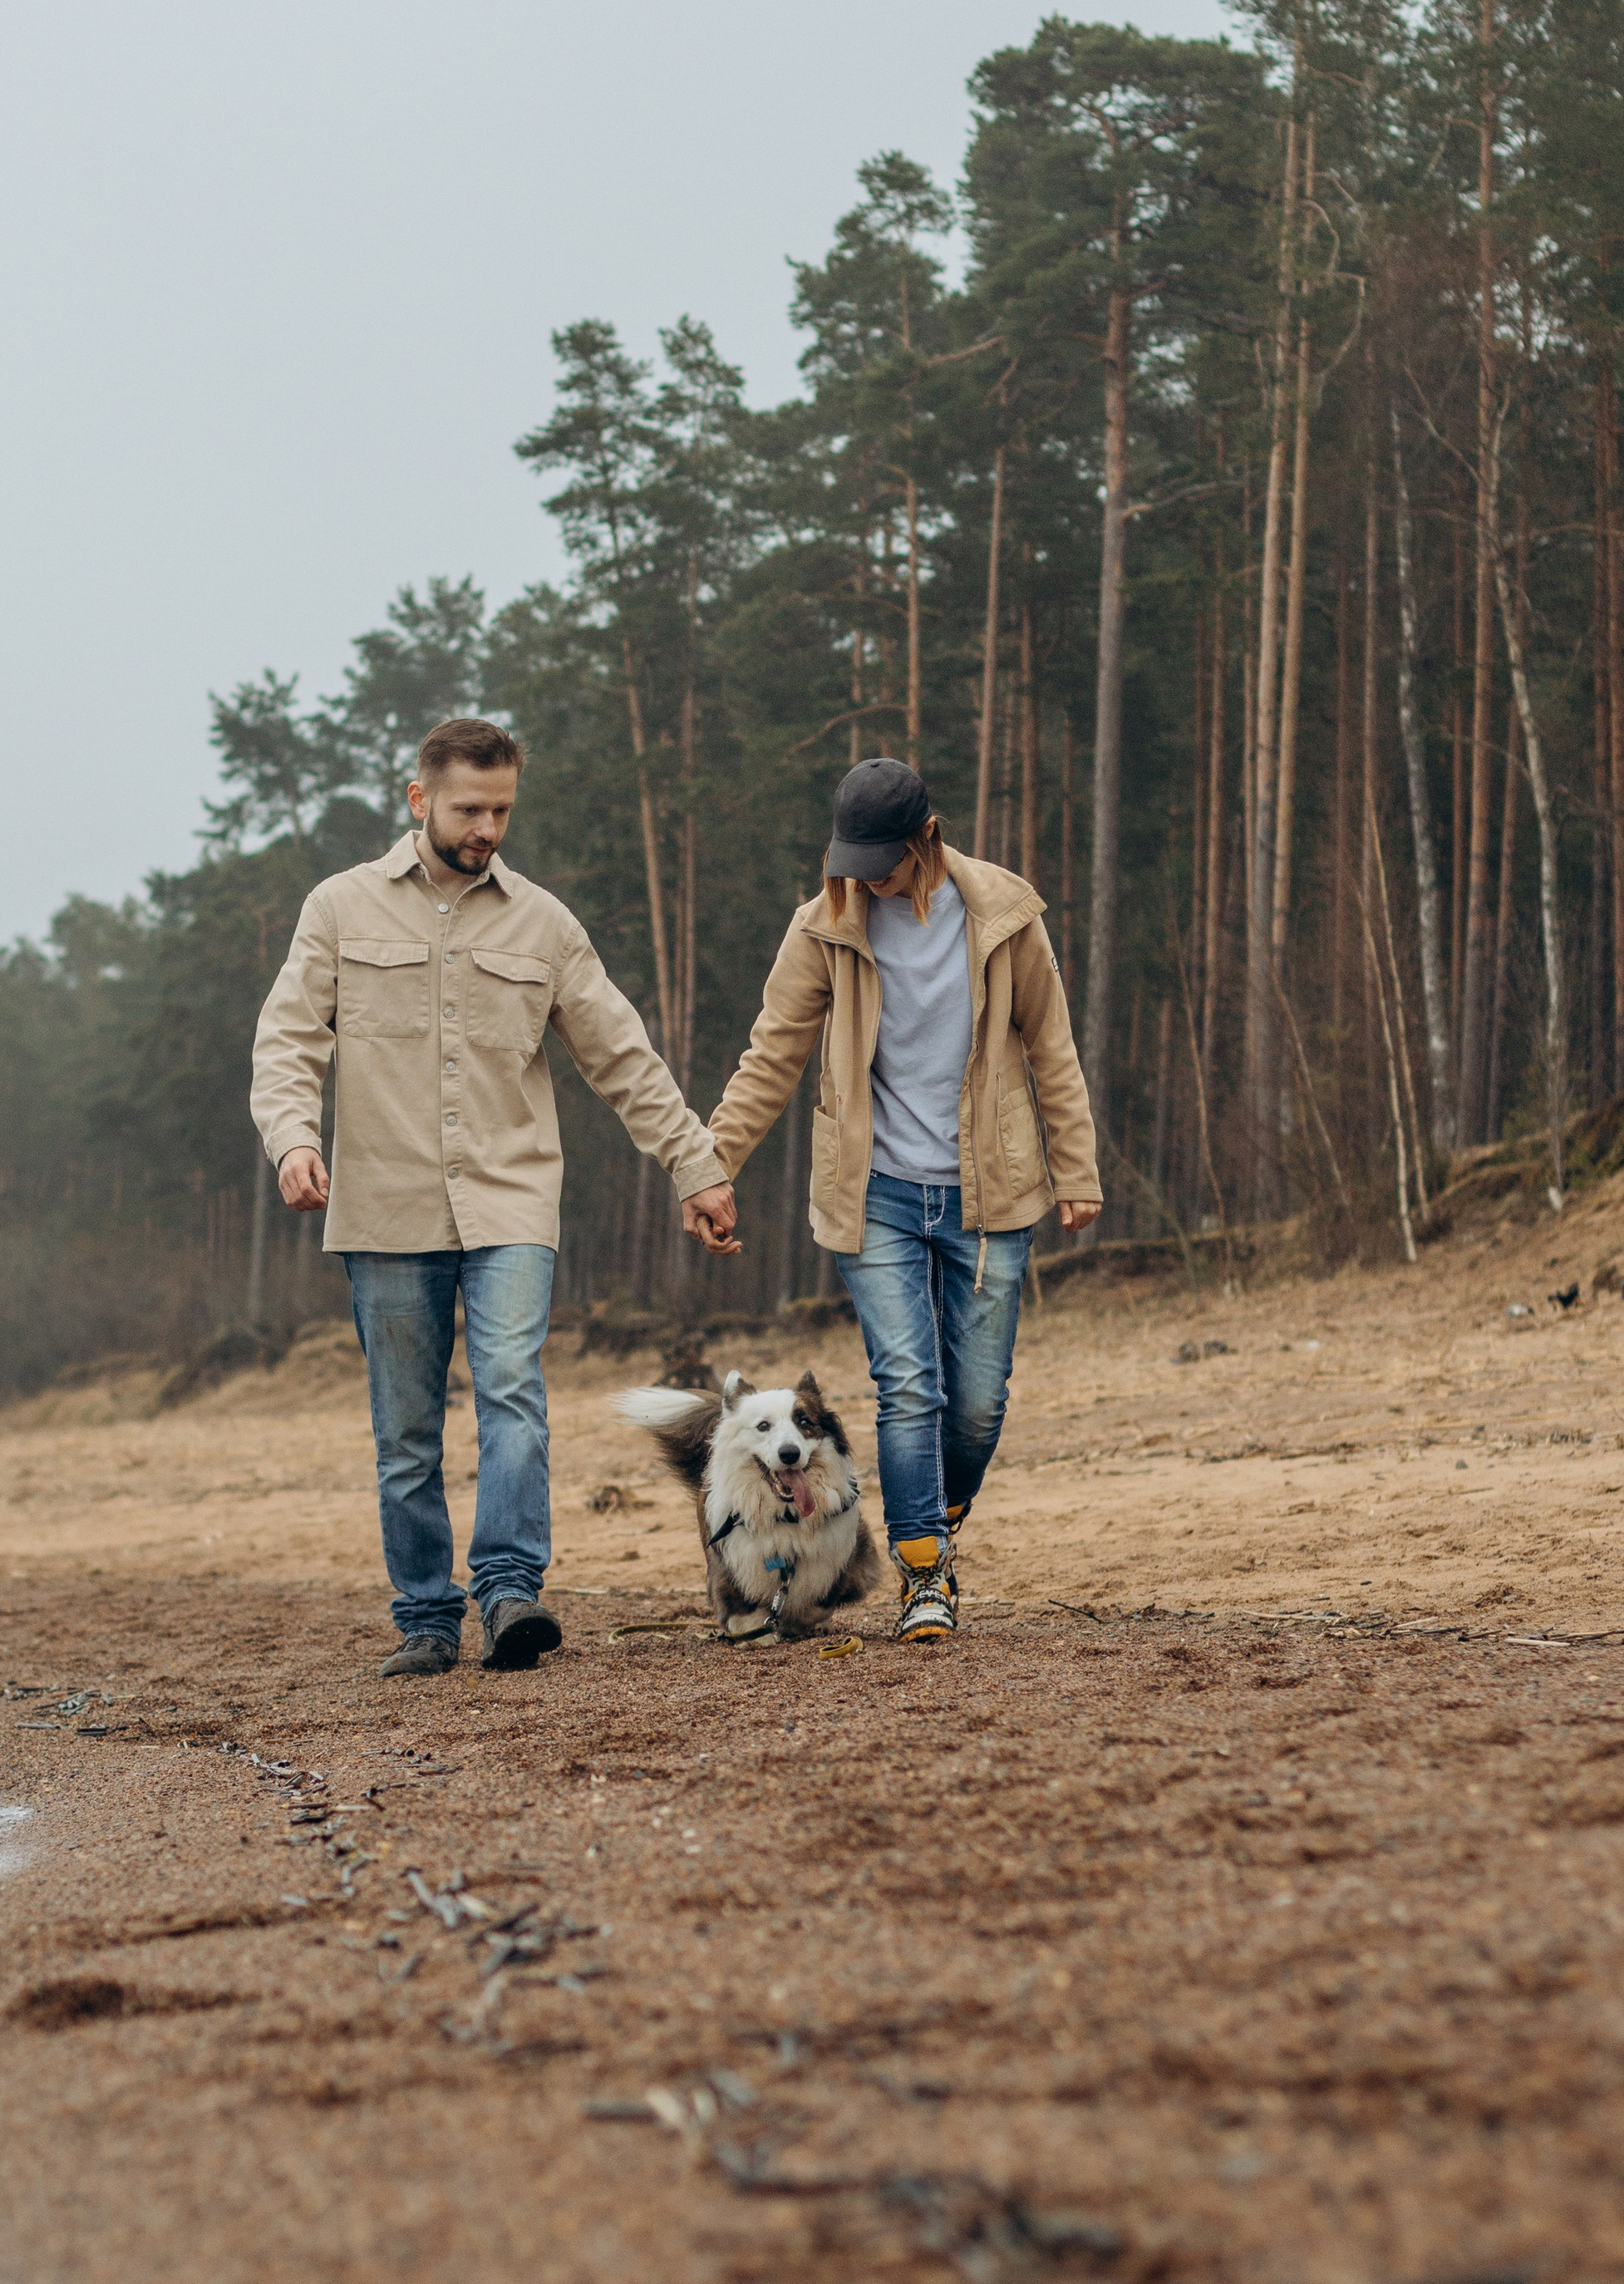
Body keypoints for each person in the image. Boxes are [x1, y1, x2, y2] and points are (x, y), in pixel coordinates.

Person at [250, 717, 740, 1678]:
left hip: (511, 1199)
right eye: (470, 808)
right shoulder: (340, 909)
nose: (487, 828)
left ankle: (510, 1590)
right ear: (418, 798)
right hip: (383, 1207)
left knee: (513, 1390)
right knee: (406, 1427)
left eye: (502, 810)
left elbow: (622, 1058)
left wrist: (696, 1164)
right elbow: (287, 1040)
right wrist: (294, 1139)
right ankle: (426, 1619)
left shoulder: (544, 925)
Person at [707, 756, 1100, 1643]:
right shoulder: (823, 927)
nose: (863, 878)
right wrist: (712, 1162)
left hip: (990, 1188)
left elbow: (1052, 1046)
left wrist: (1075, 1170)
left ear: (926, 839)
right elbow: (770, 1052)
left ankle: (936, 1510)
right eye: (851, 860)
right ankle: (924, 1569)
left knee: (977, 1402)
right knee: (908, 1386)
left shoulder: (1003, 913)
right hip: (873, 1189)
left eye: (880, 862)